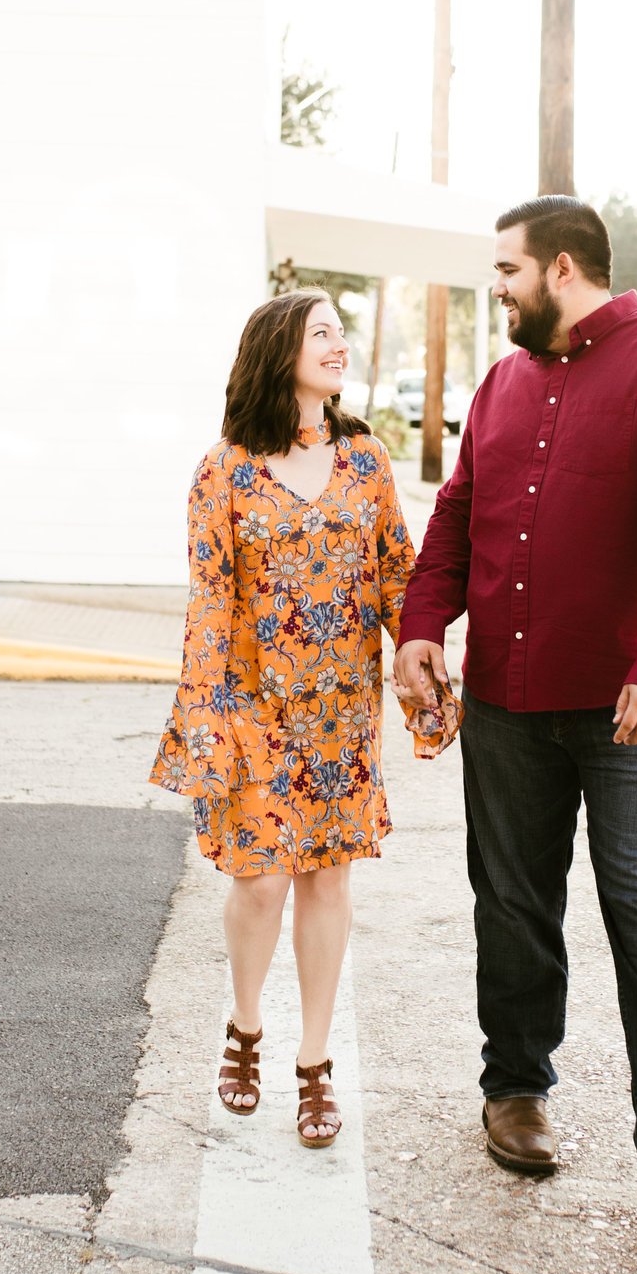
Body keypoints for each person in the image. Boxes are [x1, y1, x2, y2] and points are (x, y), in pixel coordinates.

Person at [395, 196, 637, 1223]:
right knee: (510, 904)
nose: (493, 288)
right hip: (506, 697)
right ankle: (516, 1092)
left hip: (636, 705)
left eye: (504, 270)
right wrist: (422, 624)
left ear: (559, 267)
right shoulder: (502, 381)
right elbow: (462, 509)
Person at [151, 289, 423, 1149]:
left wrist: (422, 657)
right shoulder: (224, 469)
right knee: (261, 879)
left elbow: (395, 575)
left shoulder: (368, 461)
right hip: (252, 706)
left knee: (327, 880)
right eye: (321, 333)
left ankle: (313, 1064)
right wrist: (206, 715)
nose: (339, 345)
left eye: (343, 331)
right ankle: (244, 1026)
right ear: (280, 350)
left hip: (341, 712)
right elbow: (210, 603)